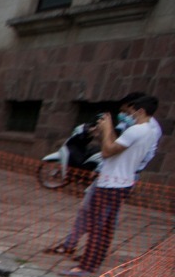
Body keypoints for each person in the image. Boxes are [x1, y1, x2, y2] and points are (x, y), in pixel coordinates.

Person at [46, 92, 165, 257]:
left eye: (128, 112)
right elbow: (114, 143)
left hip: (118, 179)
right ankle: (74, 246)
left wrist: (107, 129)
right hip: (110, 174)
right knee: (89, 210)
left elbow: (110, 150)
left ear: (139, 110)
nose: (125, 116)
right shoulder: (139, 127)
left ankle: (92, 255)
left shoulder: (144, 130)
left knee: (103, 218)